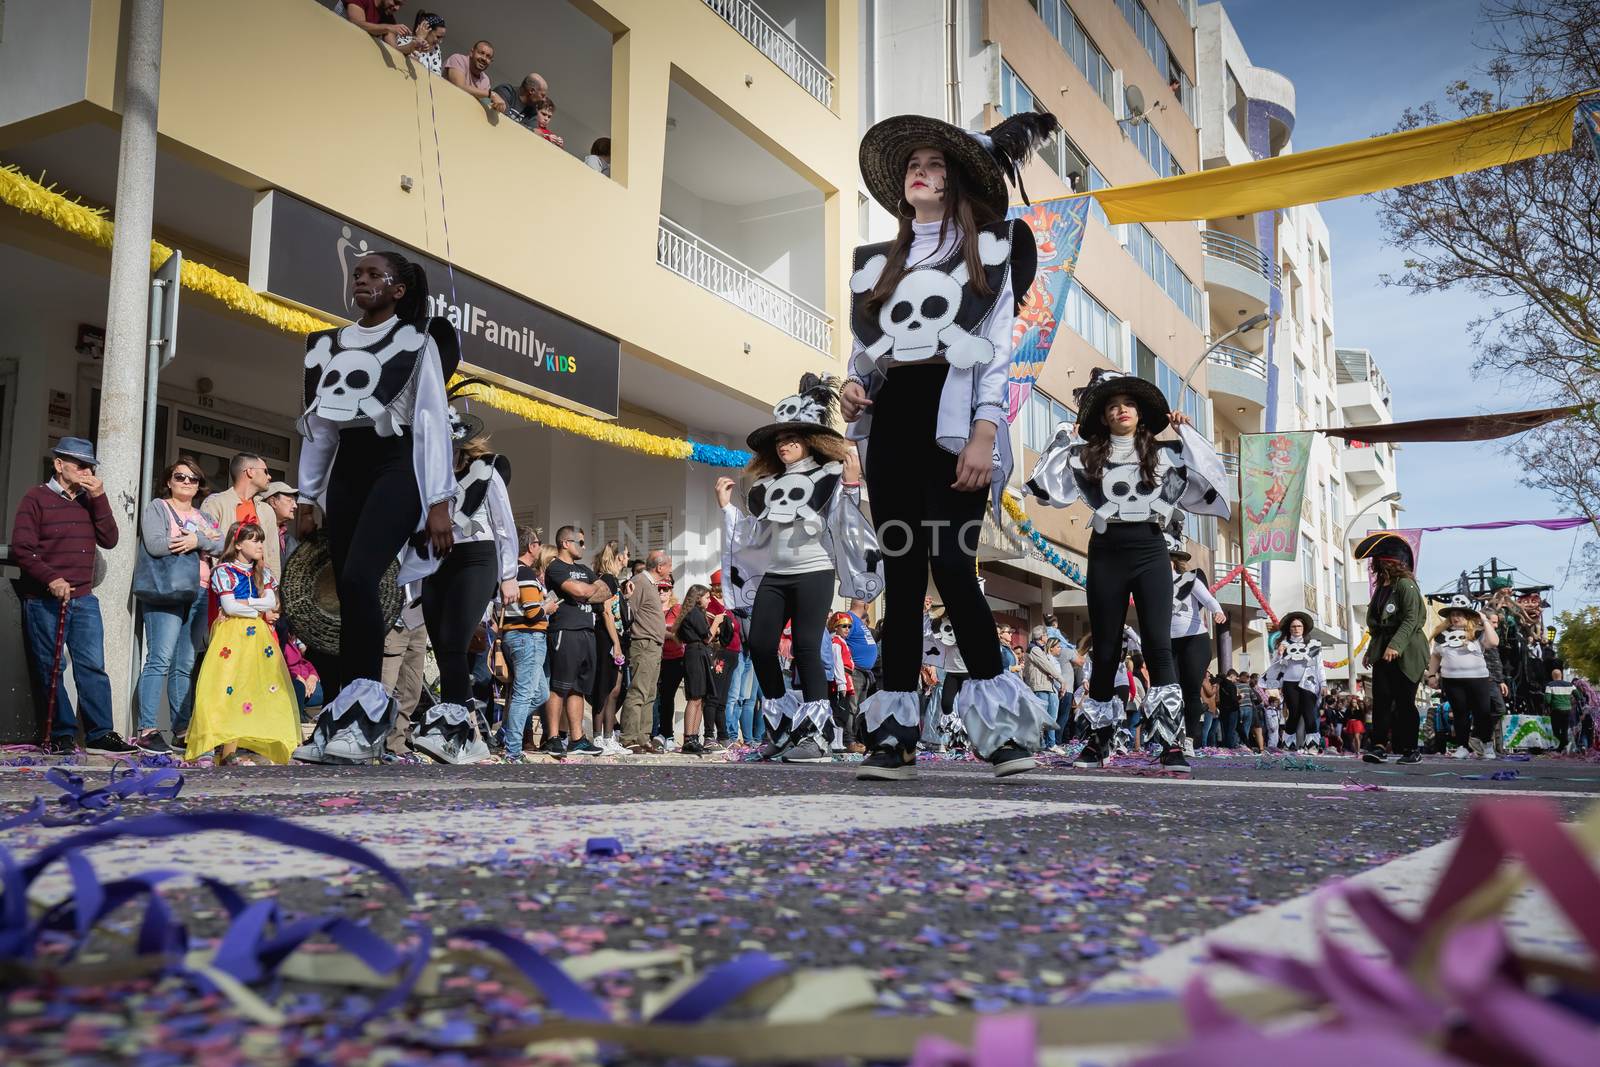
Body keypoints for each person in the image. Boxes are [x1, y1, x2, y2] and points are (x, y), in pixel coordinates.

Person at [841, 110, 1062, 781]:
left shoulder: (987, 253)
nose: (920, 172)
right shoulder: (879, 265)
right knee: (903, 577)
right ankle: (896, 735)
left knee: (952, 567)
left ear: (958, 182)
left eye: (935, 165)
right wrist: (852, 386)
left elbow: (995, 352)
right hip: (895, 421)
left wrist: (985, 432)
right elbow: (866, 352)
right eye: (914, 165)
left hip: (955, 418)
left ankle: (998, 730)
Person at [293, 251, 456, 764]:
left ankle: (365, 711)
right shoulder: (329, 344)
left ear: (399, 290)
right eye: (356, 274)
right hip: (350, 466)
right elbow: (320, 427)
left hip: (398, 465)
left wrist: (438, 502)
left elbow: (430, 421)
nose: (361, 281)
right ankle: (343, 715)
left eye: (373, 275)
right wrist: (306, 495)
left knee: (363, 577)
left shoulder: (418, 343)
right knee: (346, 588)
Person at [1027, 366, 1231, 773]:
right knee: (1104, 650)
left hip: (1151, 550)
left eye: (1129, 405)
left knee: (1158, 646)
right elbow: (1047, 488)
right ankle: (1097, 742)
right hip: (1106, 551)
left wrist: (1186, 431)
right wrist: (1062, 437)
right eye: (1113, 407)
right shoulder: (1087, 457)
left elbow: (1204, 474)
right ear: (1103, 417)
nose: (1121, 411)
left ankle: (1172, 744)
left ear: (1140, 414)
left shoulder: (1166, 454)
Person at [718, 374, 883, 765]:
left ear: (808, 440)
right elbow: (753, 534)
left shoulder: (829, 475)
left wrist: (853, 479)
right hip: (777, 575)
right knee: (759, 644)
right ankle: (783, 723)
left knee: (808, 648)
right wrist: (726, 507)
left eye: (792, 438)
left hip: (814, 571)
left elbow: (845, 514)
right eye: (779, 441)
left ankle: (817, 735)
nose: (785, 445)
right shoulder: (766, 485)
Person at [11, 438, 132, 755]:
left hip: (84, 598)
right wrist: (51, 578)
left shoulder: (90, 500)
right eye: (80, 464)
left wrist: (100, 496)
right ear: (59, 464)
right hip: (44, 598)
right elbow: (23, 549)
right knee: (52, 668)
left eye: (90, 465)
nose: (86, 470)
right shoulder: (35, 498)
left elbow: (110, 539)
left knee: (93, 667)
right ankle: (62, 734)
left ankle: (100, 733)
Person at [418, 405, 516, 729]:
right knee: (444, 645)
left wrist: (509, 576)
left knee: (455, 638)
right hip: (438, 559)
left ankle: (457, 721)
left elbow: (504, 524)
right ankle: (457, 717)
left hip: (477, 556)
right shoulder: (429, 474)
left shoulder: (485, 470)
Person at [187, 522, 299, 765]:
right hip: (230, 637)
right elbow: (228, 606)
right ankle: (215, 748)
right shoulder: (224, 571)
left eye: (261, 540)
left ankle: (242, 748)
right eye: (254, 540)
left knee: (253, 688)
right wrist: (254, 608)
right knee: (225, 687)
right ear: (238, 544)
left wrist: (245, 606)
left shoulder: (263, 573)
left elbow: (270, 603)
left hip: (258, 638)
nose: (260, 545)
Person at [134, 456, 223, 752]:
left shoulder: (204, 517)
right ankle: (147, 728)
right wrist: (199, 540)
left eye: (192, 479)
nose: (186, 482)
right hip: (167, 590)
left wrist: (196, 539)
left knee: (183, 665)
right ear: (169, 481)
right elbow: (156, 544)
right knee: (159, 659)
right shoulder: (158, 508)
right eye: (180, 477)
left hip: (200, 591)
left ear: (199, 485)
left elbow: (223, 544)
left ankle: (181, 729)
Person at [1356, 533, 1428, 765]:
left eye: (1376, 559)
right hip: (1383, 650)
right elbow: (1377, 626)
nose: (1372, 564)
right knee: (1382, 700)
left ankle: (1410, 749)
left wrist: (1395, 645)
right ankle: (1378, 746)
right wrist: (1371, 650)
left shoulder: (1405, 585)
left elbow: (1411, 619)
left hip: (1408, 651)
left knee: (1404, 701)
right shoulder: (1381, 589)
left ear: (1388, 561)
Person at [543, 526, 610, 757]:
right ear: (565, 543)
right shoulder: (556, 567)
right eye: (579, 542)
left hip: (587, 632)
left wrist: (588, 590)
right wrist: (590, 590)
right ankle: (552, 737)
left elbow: (605, 591)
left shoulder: (583, 569)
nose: (583, 546)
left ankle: (577, 739)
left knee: (578, 689)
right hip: (565, 630)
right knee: (559, 686)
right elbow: (581, 591)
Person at [1166, 516, 1226, 754]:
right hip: (1167, 642)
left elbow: (1209, 600)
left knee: (1190, 690)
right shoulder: (1150, 584)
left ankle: (1190, 739)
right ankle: (1171, 737)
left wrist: (1218, 612)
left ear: (1173, 560)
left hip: (1194, 641)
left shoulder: (1188, 580)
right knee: (1170, 690)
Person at [1425, 593, 1500, 759]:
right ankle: (1462, 746)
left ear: (1466, 616)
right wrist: (1431, 675)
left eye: (1459, 614)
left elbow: (1494, 642)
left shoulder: (1478, 633)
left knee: (1482, 713)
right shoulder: (1441, 635)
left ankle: (1487, 744)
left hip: (1477, 679)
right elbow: (1436, 656)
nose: (1455, 617)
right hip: (1451, 680)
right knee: (1460, 713)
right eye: (1453, 614)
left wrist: (1485, 620)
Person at [620, 550, 671, 754]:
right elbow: (630, 611)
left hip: (654, 645)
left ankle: (643, 736)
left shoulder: (650, 584)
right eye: (668, 565)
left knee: (650, 693)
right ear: (659, 567)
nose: (670, 569)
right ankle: (629, 737)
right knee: (639, 691)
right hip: (643, 643)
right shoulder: (640, 581)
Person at [203, 453, 281, 579]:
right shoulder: (215, 503)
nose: (270, 476)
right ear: (250, 472)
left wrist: (274, 588)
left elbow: (273, 554)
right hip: (225, 583)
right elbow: (206, 546)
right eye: (265, 471)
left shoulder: (267, 510)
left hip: (259, 585)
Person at [1263, 611, 1326, 752]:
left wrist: (1323, 683)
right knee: (1294, 714)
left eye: (1299, 626)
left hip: (1309, 683)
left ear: (1304, 628)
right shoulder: (1282, 644)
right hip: (1290, 683)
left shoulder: (1313, 645)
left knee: (1309, 713)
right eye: (1293, 626)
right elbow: (1274, 665)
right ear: (1289, 628)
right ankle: (1288, 743)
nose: (1296, 629)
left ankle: (1312, 745)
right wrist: (1279, 653)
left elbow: (1319, 665)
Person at [589, 541, 630, 755]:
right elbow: (606, 612)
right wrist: (615, 644)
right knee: (604, 688)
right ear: (619, 557)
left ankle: (609, 737)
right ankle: (598, 737)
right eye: (626, 554)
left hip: (616, 638)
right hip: (606, 639)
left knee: (615, 689)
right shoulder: (607, 580)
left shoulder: (615, 581)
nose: (628, 559)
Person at [673, 584, 717, 755]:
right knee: (695, 696)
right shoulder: (694, 613)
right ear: (698, 598)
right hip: (695, 654)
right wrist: (717, 622)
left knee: (701, 698)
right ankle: (688, 738)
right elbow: (707, 637)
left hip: (698, 653)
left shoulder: (697, 613)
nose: (709, 600)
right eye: (706, 597)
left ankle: (694, 737)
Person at [1023, 626, 1065, 748]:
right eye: (1046, 635)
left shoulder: (1040, 650)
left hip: (1048, 686)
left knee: (1051, 718)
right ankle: (1040, 744)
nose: (1047, 637)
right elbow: (1047, 666)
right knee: (1041, 719)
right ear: (1042, 637)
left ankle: (1051, 744)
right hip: (1039, 687)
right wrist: (1061, 680)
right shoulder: (1034, 649)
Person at [826, 611, 861, 752]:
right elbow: (837, 663)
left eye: (849, 626)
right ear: (836, 627)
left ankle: (839, 742)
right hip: (841, 681)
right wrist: (841, 683)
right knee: (838, 711)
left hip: (847, 679)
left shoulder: (841, 642)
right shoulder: (835, 642)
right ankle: (834, 741)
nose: (847, 629)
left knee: (844, 712)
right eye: (844, 626)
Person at [394, 10, 446, 74]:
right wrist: (419, 39)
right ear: (426, 29)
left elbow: (436, 75)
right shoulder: (404, 39)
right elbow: (405, 60)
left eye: (442, 38)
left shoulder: (436, 49)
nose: (440, 41)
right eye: (438, 37)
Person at [1546, 668, 1577, 751]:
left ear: (1552, 676)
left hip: (1556, 710)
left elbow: (1547, 700)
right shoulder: (1570, 684)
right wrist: (1570, 701)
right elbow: (1578, 695)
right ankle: (1561, 748)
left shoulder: (1550, 685)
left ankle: (1565, 742)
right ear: (1561, 675)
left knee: (1556, 731)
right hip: (1568, 711)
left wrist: (1548, 705)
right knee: (1564, 730)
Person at [1217, 668, 1242, 750]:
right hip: (1232, 709)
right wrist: (1240, 697)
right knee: (1232, 728)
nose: (1235, 680)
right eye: (1235, 678)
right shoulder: (1231, 685)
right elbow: (1233, 699)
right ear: (1232, 676)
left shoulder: (1221, 685)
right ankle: (1231, 746)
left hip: (1223, 709)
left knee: (1225, 728)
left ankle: (1226, 745)